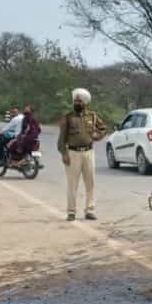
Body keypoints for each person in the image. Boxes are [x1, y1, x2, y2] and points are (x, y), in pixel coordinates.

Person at [58, 88, 108, 221]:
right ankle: (71, 212)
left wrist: (96, 136)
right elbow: (61, 139)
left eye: (79, 101)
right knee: (72, 184)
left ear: (85, 103)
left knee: (90, 183)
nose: (77, 103)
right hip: (73, 153)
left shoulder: (92, 116)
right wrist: (64, 153)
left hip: (89, 153)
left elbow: (103, 129)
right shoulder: (68, 117)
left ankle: (90, 210)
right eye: (75, 100)